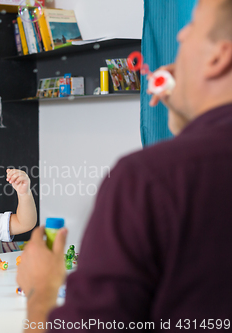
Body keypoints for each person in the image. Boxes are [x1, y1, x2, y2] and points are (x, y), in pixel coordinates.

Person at [17, 0, 232, 331]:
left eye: (187, 33)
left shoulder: (148, 180)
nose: (180, 37)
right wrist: (189, 112)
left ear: (218, 56)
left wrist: (40, 290)